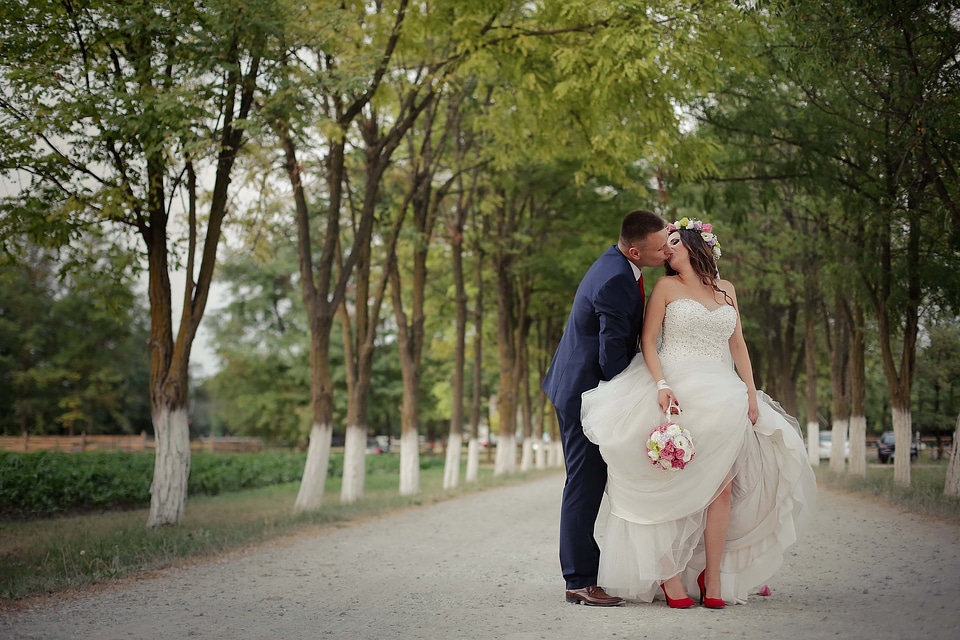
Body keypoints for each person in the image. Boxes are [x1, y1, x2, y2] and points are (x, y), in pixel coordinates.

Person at [580, 217, 816, 608]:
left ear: (693, 244)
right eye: (664, 242)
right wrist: (661, 385)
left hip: (722, 394)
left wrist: (751, 394)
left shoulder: (727, 290)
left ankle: (715, 579)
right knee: (672, 482)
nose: (667, 247)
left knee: (720, 488)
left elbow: (738, 345)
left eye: (673, 240)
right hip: (674, 391)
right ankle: (669, 577)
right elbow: (648, 341)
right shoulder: (666, 287)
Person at [542, 209, 672, 606]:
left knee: (590, 480)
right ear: (635, 250)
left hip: (579, 382)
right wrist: (648, 377)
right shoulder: (617, 278)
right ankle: (580, 581)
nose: (667, 251)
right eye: (659, 247)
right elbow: (612, 355)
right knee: (584, 483)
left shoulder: (619, 264)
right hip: (583, 390)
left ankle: (588, 573)